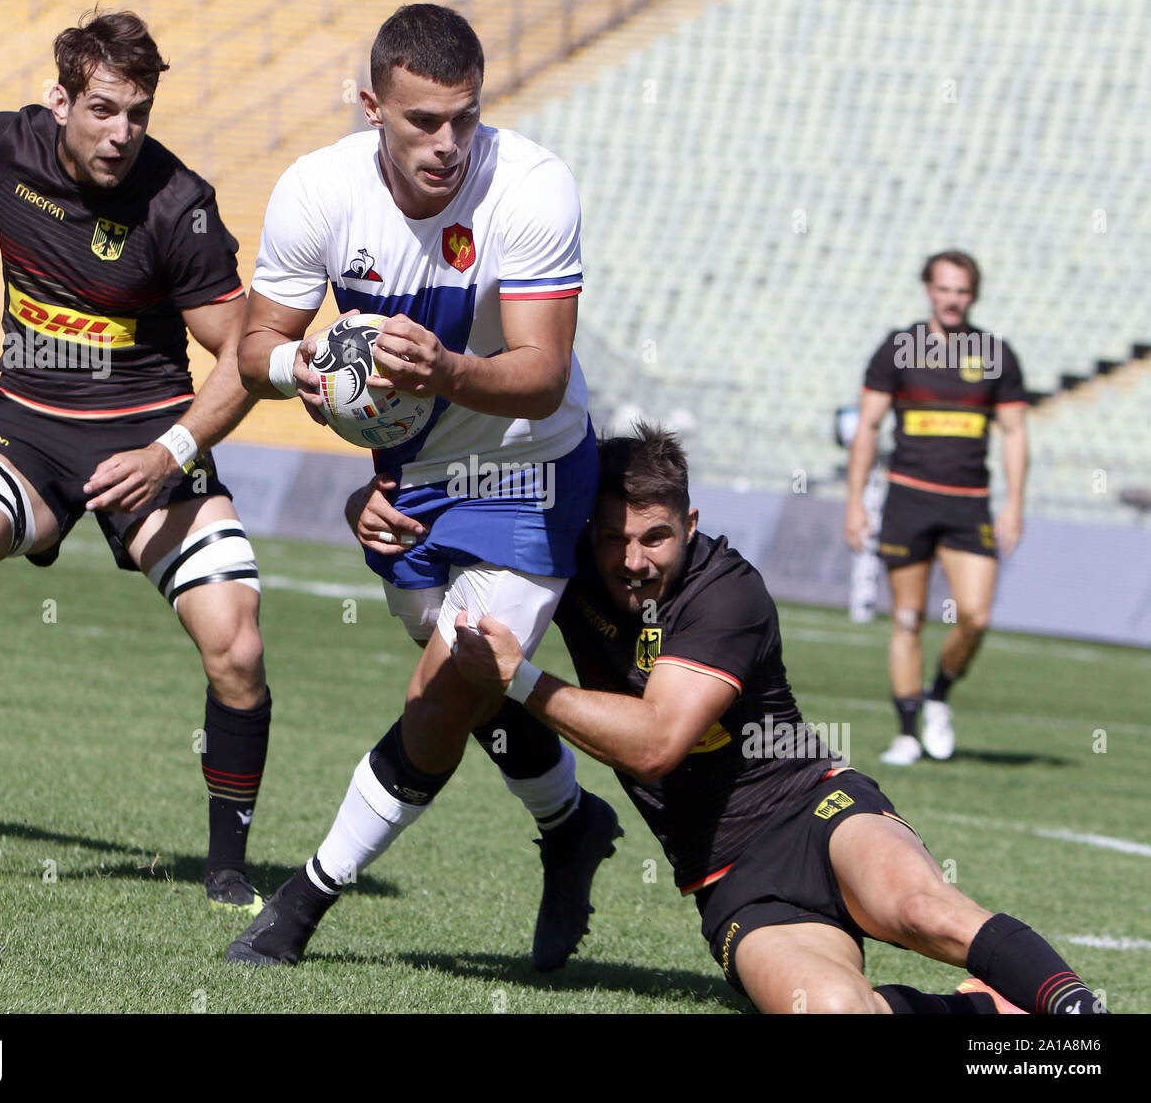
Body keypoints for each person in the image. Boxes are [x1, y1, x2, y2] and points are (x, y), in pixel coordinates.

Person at [452, 425, 1101, 1014]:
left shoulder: (726, 590)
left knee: (924, 909)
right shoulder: (575, 569)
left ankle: (1078, 1012)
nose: (633, 561)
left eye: (656, 537)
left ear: (691, 522)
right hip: (732, 882)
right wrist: (384, 513)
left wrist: (523, 679)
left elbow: (655, 745)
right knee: (834, 1011)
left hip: (816, 812)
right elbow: (455, 539)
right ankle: (984, 1011)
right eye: (614, 539)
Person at [231, 3, 618, 970]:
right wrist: (308, 382)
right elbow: (254, 349)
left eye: (465, 118)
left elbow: (541, 369)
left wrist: (443, 371)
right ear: (373, 107)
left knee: (443, 690)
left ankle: (299, 908)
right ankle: (571, 826)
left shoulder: (528, 184)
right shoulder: (316, 192)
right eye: (421, 123)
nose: (448, 145)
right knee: (475, 689)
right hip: (408, 483)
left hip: (529, 469)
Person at [0, 11, 275, 914]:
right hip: (30, 423)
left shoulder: (179, 204)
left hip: (152, 436)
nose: (123, 133)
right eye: (102, 109)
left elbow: (242, 360)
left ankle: (226, 870)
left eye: (138, 112)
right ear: (61, 102)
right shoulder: (4, 144)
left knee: (236, 640)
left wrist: (170, 455)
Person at [845, 252, 1029, 766]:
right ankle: (906, 731)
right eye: (944, 289)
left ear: (975, 295)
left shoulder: (995, 354)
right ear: (929, 289)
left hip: (970, 505)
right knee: (907, 617)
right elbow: (868, 427)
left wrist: (1015, 503)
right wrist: (855, 501)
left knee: (976, 617)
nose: (953, 299)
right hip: (908, 499)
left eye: (963, 291)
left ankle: (939, 696)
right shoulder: (898, 348)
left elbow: (1015, 433)